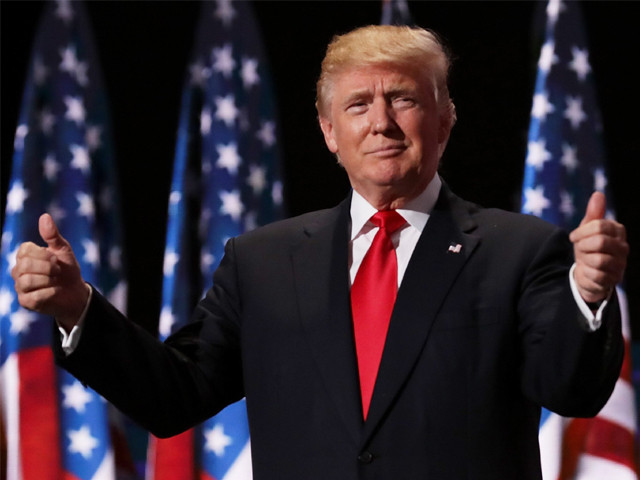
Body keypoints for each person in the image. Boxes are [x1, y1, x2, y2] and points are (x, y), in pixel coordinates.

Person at [12, 25, 628, 479]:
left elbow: (570, 390)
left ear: (444, 120)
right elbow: (175, 398)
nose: (381, 123)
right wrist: (78, 310)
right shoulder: (262, 262)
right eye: (358, 105)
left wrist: (590, 298)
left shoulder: (518, 249)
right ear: (330, 132)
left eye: (404, 100)